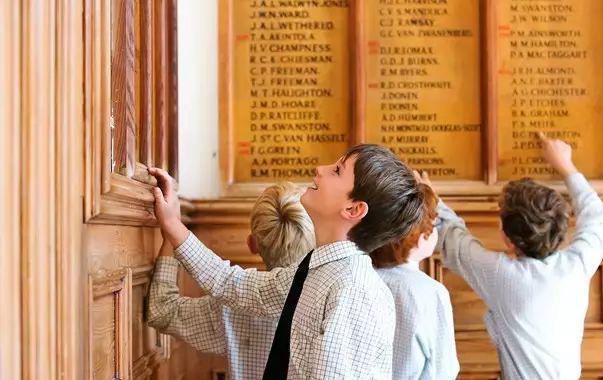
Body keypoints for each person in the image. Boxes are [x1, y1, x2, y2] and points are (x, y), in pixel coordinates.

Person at [148, 144, 427, 379]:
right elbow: (235, 285)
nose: (320, 168)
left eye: (337, 170)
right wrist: (173, 224)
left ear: (353, 209)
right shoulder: (312, 270)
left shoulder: (353, 289)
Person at [423, 134, 603, 379]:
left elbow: (455, 240)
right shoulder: (576, 266)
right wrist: (566, 166)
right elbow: (596, 218)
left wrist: (431, 199)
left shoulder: (503, 274)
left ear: (508, 240)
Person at [146, 182, 315, 380]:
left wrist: (169, 234)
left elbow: (161, 311)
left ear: (252, 244)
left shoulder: (229, 308)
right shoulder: (331, 300)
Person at [371, 181, 459, 380]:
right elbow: (443, 370)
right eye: (434, 224)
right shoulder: (431, 292)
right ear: (422, 238)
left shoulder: (360, 278)